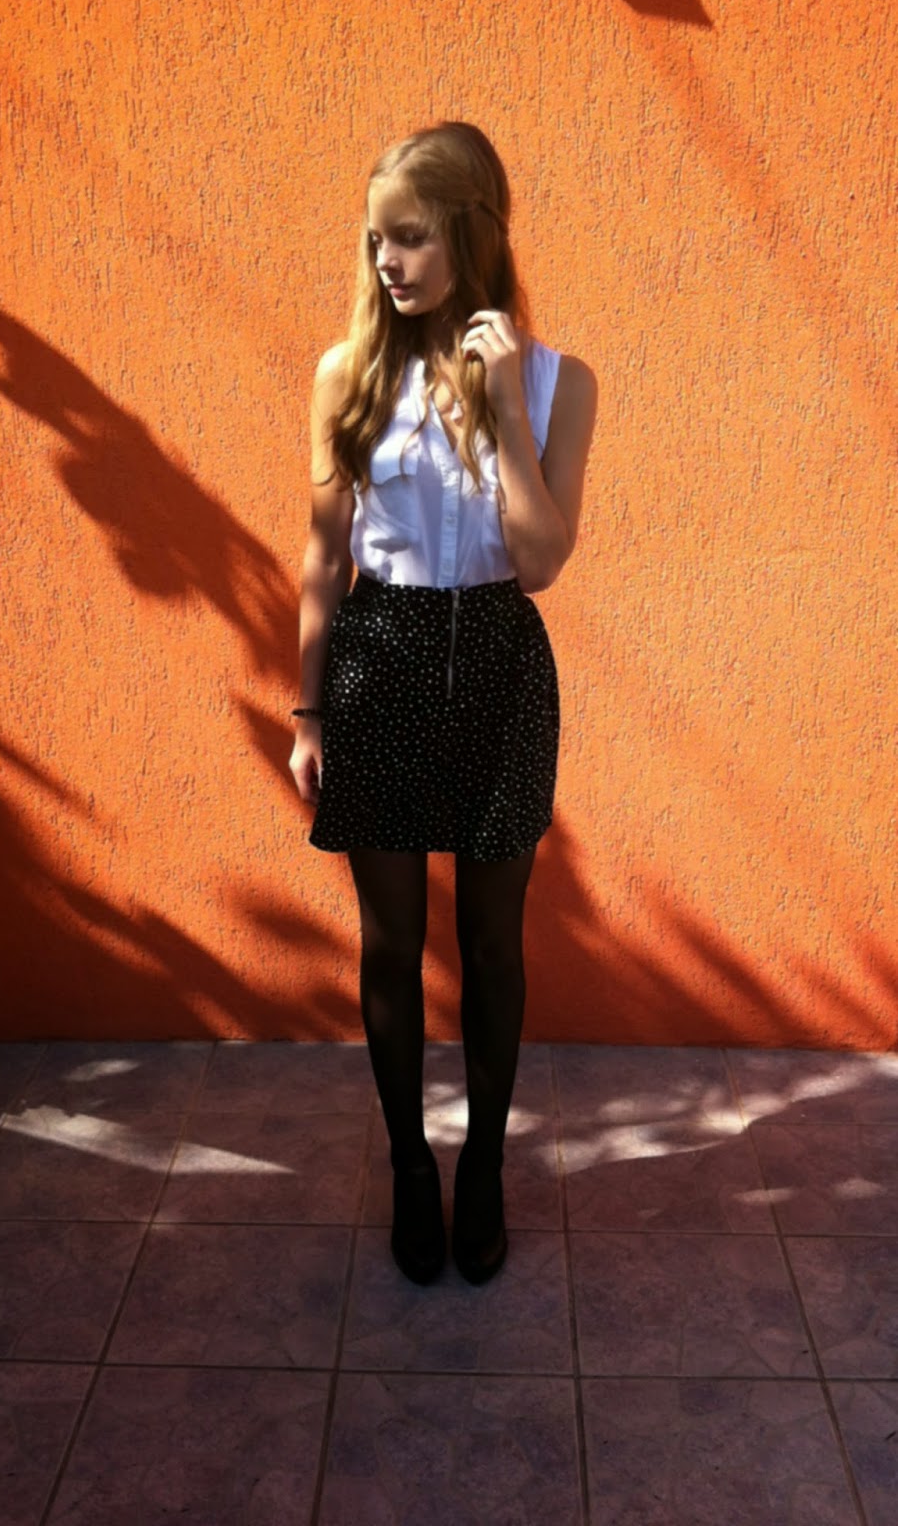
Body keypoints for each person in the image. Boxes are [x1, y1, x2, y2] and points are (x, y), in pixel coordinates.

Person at [289, 122, 596, 1286]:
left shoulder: (559, 382)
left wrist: (504, 404)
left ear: (472, 235)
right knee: (388, 941)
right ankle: (410, 1164)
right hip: (380, 659)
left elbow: (542, 561)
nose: (387, 260)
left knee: (490, 943)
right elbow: (322, 558)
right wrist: (307, 713)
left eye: (410, 236)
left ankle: (484, 1168)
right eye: (376, 238)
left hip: (501, 662)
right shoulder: (346, 374)